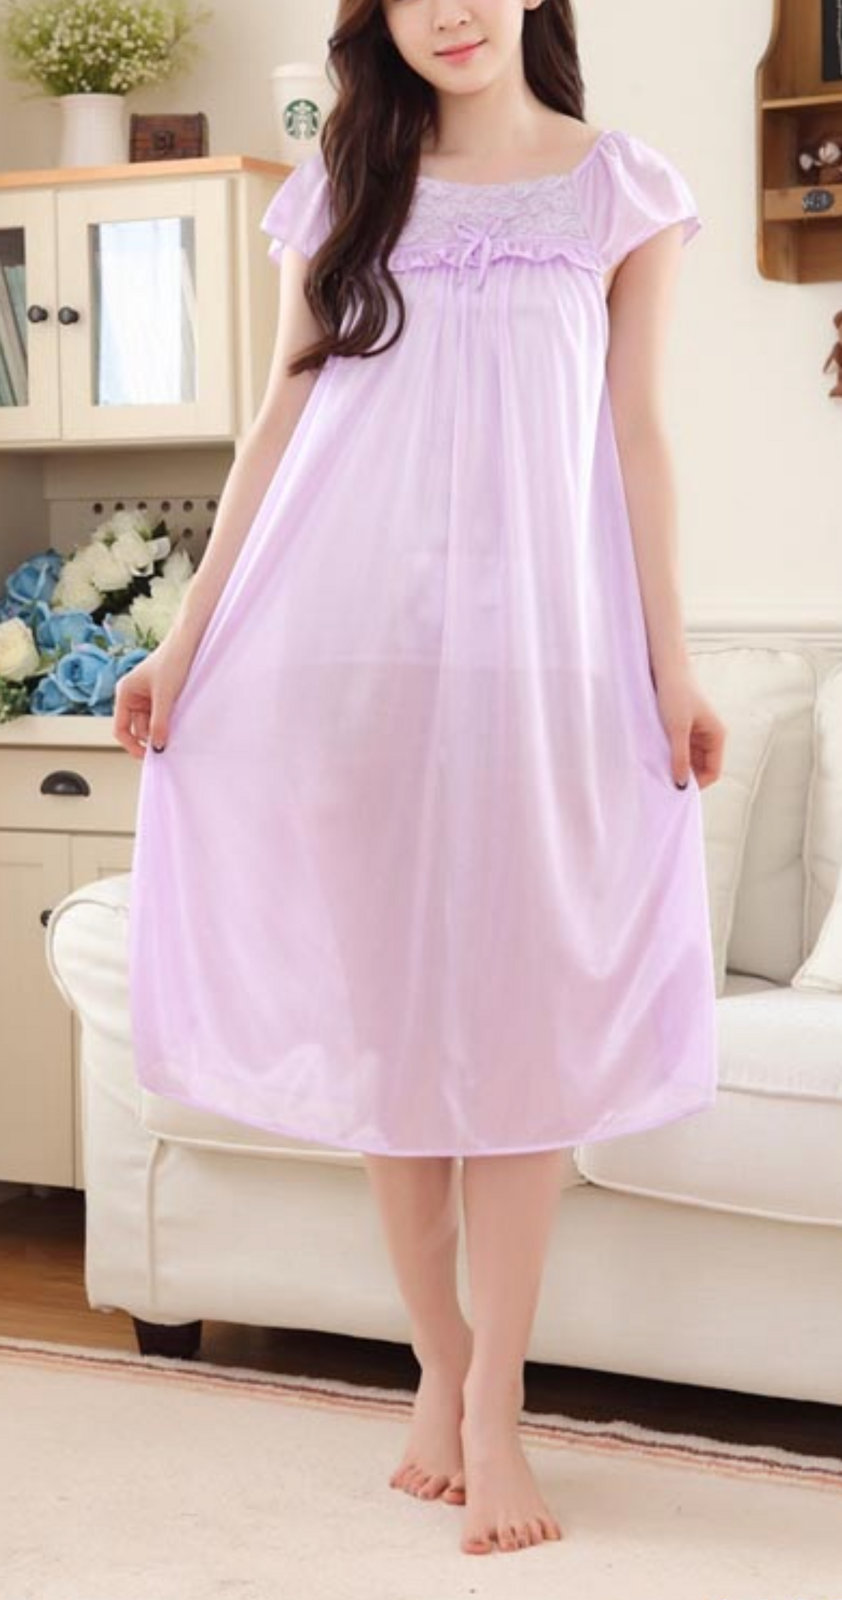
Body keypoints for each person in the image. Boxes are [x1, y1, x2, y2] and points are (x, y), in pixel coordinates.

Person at [114, 0, 726, 1560]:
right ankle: (437, 1367)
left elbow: (641, 438)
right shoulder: (343, 185)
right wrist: (184, 643)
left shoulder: (618, 188)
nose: (447, 9)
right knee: (398, 1044)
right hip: (351, 660)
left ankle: (499, 1404)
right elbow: (278, 421)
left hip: (542, 674)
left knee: (517, 1043)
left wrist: (670, 665)